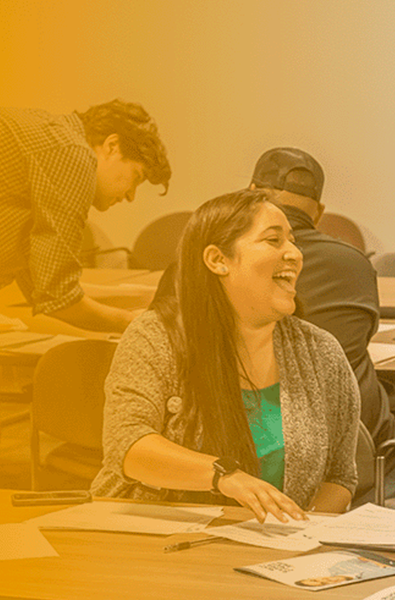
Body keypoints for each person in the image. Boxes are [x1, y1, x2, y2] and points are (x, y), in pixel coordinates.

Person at [91, 189, 359, 521]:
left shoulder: (321, 354)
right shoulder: (156, 337)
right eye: (273, 240)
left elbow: (340, 477)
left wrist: (298, 525)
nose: (294, 253)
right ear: (218, 260)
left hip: (270, 551)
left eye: (293, 241)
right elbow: (128, 446)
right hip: (149, 543)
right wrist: (225, 476)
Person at [248, 147, 395, 506]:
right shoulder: (348, 266)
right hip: (356, 451)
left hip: (256, 452)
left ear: (250, 194)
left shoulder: (205, 271)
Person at [0, 99, 171, 333]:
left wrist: (146, 296)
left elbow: (44, 288)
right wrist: (138, 326)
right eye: (137, 177)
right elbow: (58, 297)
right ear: (113, 146)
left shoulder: (48, 139)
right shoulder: (72, 155)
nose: (131, 196)